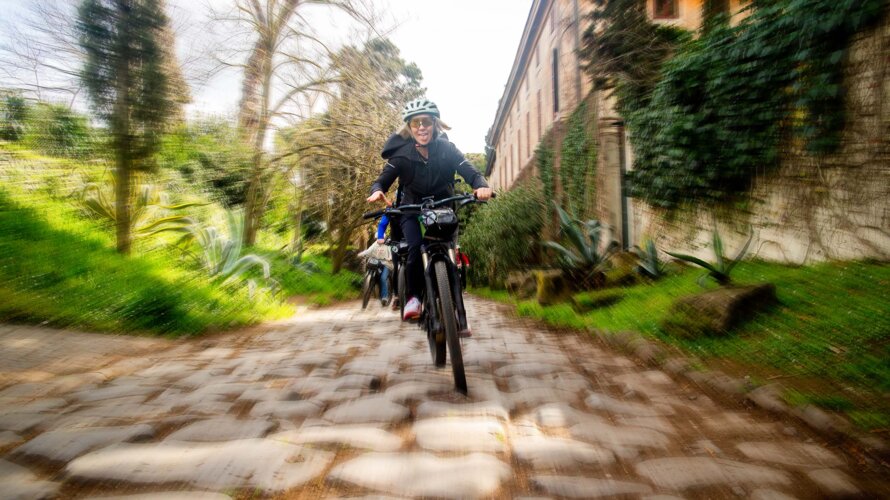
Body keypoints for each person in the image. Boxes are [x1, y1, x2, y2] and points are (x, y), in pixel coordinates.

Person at [367, 98, 492, 321]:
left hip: (443, 207)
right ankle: (413, 297)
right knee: (415, 247)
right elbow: (382, 180)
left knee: (450, 251)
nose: (421, 127)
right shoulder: (402, 155)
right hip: (411, 209)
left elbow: (469, 170)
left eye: (426, 122)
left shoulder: (447, 149)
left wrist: (480, 185)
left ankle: (455, 307)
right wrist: (377, 191)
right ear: (409, 128)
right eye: (416, 123)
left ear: (434, 124)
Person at [357, 235, 393, 306]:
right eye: (378, 238)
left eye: (381, 238)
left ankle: (384, 297)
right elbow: (368, 251)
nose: (379, 239)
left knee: (383, 278)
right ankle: (368, 286)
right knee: (370, 270)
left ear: (384, 239)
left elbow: (391, 253)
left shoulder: (387, 246)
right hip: (376, 263)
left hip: (386, 264)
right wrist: (361, 254)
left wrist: (390, 258)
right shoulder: (374, 245)